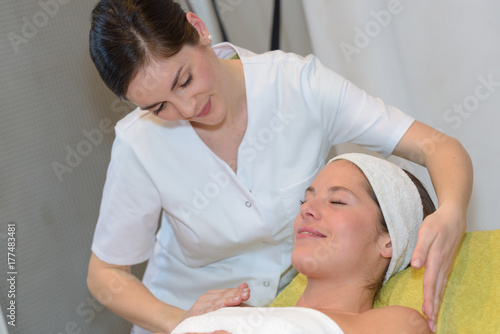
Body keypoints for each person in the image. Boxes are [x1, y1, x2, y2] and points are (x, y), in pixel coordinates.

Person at [86, 1, 472, 333]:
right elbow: (105, 274)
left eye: (184, 80)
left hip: (282, 311)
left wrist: (452, 211)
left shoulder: (299, 87)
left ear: (198, 29)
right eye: (159, 107)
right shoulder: (140, 143)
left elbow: (436, 147)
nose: (186, 109)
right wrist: (184, 322)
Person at [170, 153, 434, 334]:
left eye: (337, 201)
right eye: (305, 200)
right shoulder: (242, 314)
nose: (307, 209)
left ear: (389, 241)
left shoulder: (393, 324)